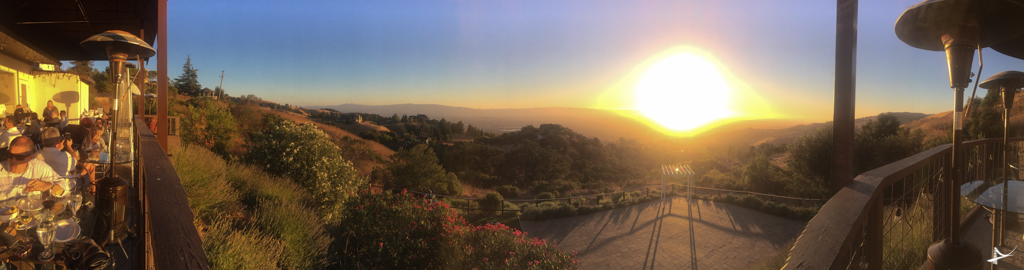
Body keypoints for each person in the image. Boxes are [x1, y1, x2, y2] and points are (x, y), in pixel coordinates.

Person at [0, 136, 69, 201]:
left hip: (31, 212)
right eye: (10, 155)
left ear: (30, 157)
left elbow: (64, 187)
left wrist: (49, 186)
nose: (13, 160)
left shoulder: (38, 167)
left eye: (19, 157)